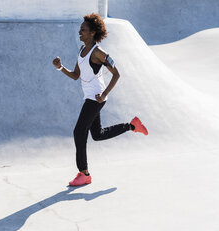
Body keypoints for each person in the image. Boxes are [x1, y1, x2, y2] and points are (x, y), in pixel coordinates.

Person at [53, 13, 148, 186]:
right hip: (90, 97)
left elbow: (116, 74)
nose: (79, 32)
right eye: (80, 29)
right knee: (97, 135)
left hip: (95, 98)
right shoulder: (82, 50)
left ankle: (84, 173)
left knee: (78, 131)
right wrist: (60, 68)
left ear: (92, 33)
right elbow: (76, 76)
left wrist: (104, 95)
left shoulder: (99, 52)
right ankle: (132, 125)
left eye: (83, 29)